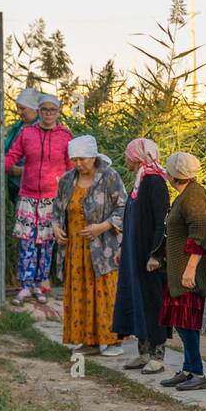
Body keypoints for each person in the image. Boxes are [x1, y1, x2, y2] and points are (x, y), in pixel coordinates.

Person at [52, 134, 128, 356]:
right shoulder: (67, 180)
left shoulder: (109, 177)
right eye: (74, 159)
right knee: (80, 293)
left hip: (102, 248)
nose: (78, 164)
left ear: (93, 156)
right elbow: (56, 210)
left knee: (105, 293)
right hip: (75, 249)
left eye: (82, 159)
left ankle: (113, 341)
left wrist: (102, 226)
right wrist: (57, 228)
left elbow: (123, 207)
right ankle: (88, 341)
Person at [152, 152, 206, 391]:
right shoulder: (185, 195)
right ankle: (188, 368)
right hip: (178, 270)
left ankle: (197, 372)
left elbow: (200, 232)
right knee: (181, 322)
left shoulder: (194, 196)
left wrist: (190, 270)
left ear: (174, 174)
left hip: (188, 272)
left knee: (187, 323)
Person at [5, 93, 72, 303]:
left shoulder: (65, 136)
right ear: (39, 111)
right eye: (44, 110)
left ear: (58, 112)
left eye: (52, 110)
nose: (48, 114)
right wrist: (5, 165)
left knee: (46, 242)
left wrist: (67, 195)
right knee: (27, 242)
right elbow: (12, 155)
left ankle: (40, 284)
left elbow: (71, 168)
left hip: (52, 198)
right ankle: (25, 285)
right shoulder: (27, 133)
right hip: (28, 196)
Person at [112, 138, 170, 372]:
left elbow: (161, 222)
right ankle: (143, 352)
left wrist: (156, 254)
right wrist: (122, 248)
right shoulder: (139, 183)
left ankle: (157, 355)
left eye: (128, 154)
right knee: (137, 302)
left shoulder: (154, 182)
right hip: (133, 255)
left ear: (136, 156)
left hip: (149, 258)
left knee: (153, 303)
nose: (125, 158)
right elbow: (131, 221)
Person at [4, 86, 40, 204]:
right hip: (15, 186)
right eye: (17, 108)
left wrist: (21, 170)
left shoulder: (45, 129)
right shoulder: (18, 127)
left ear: (35, 109)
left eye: (22, 108)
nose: (19, 112)